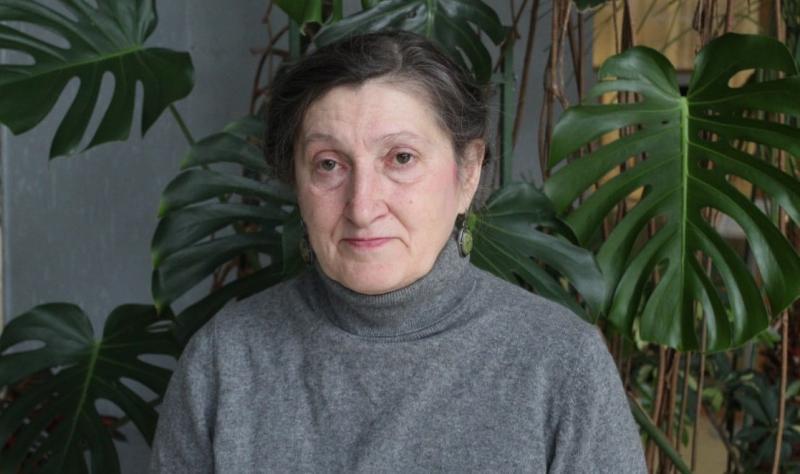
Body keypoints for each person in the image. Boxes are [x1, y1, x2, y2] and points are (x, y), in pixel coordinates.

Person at [149, 30, 647, 473]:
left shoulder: (561, 365)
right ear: (296, 182)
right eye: (329, 164)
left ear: (468, 172)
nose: (362, 207)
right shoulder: (224, 362)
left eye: (401, 158)